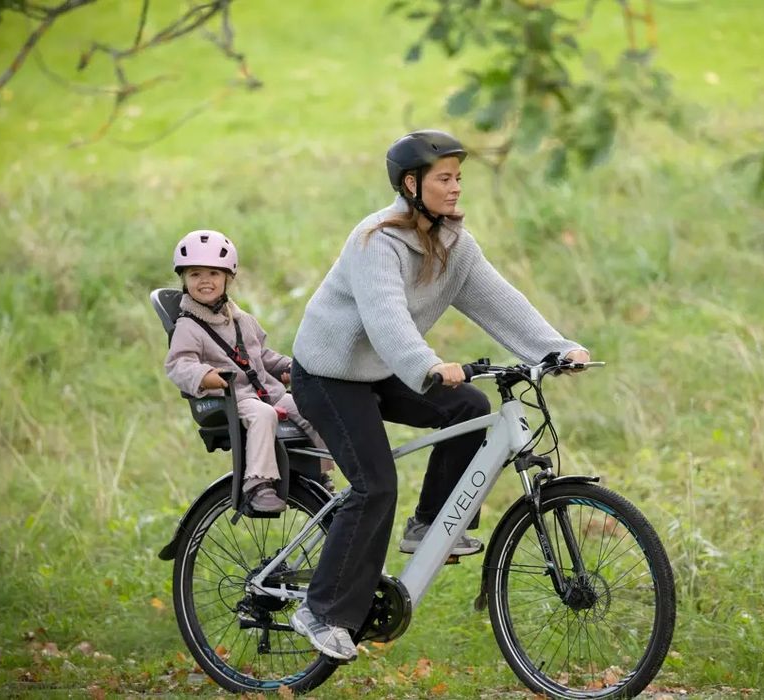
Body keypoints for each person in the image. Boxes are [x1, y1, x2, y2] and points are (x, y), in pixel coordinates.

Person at [288, 129, 590, 660]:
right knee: (374, 485)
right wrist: (425, 365)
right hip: (330, 374)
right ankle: (322, 611)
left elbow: (500, 302)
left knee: (470, 408)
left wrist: (555, 348)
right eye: (443, 179)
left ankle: (429, 524)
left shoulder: (454, 244)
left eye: (458, 178)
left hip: (384, 370)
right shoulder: (374, 241)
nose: (455, 189)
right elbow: (387, 318)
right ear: (411, 184)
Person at [164, 230, 335, 512]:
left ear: (227, 279)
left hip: (266, 391)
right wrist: (204, 376)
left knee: (310, 404)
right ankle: (257, 483)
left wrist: (289, 367)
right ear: (183, 279)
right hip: (230, 397)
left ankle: (318, 472)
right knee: (263, 414)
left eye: (213, 274)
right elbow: (178, 364)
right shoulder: (188, 327)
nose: (205, 281)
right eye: (195, 274)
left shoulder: (241, 319)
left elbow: (260, 355)